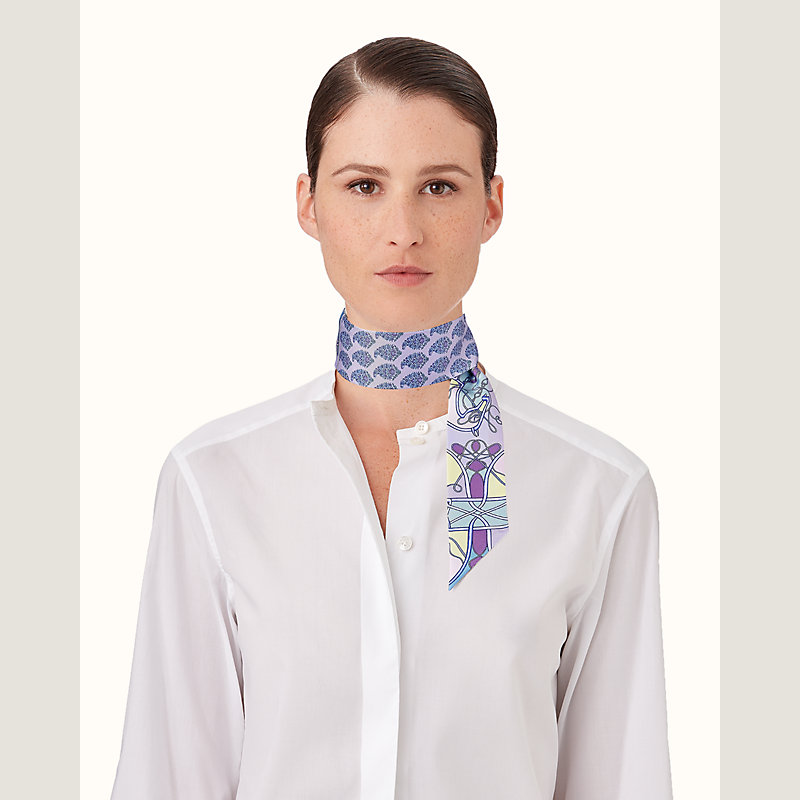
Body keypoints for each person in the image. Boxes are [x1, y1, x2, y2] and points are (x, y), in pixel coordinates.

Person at [110, 36, 672, 800]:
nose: (402, 228)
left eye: (438, 186)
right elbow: (170, 777)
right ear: (309, 204)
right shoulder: (215, 481)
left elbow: (620, 780)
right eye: (364, 185)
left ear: (491, 205)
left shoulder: (594, 492)